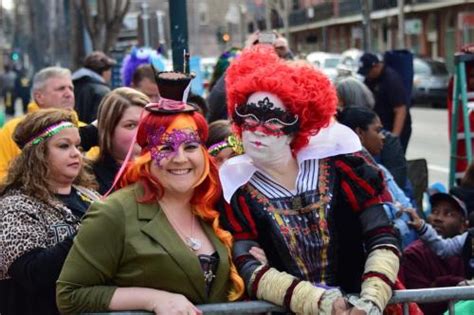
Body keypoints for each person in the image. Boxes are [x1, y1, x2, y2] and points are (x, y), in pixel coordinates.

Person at [218, 45, 400, 314]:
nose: (258, 131)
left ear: (297, 127)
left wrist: (371, 300)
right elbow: (248, 266)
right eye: (249, 118)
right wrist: (318, 302)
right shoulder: (237, 187)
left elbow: (383, 236)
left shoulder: (343, 168)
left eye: (273, 121)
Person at [56, 71, 244, 314]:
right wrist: (152, 299)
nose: (180, 158)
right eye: (166, 147)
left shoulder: (215, 204)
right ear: (146, 155)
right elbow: (70, 295)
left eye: (190, 146)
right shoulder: (114, 213)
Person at [0, 109, 100, 315]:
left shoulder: (91, 197)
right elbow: (32, 273)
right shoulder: (14, 206)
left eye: (78, 146)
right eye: (64, 146)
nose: (76, 153)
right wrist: (91, 230)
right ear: (37, 154)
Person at [338, 106, 417, 249]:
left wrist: (395, 217)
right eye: (377, 130)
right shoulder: (344, 177)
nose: (383, 137)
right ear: (359, 133)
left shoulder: (381, 171)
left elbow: (409, 211)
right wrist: (396, 212)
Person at [0, 67, 98, 182]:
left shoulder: (86, 131)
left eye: (71, 88)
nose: (69, 94)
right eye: (61, 89)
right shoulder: (12, 130)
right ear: (39, 97)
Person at [399, 192, 468, 315]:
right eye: (435, 212)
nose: (438, 218)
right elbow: (421, 303)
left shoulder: (468, 251)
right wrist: (458, 284)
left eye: (449, 214)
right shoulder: (414, 254)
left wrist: (442, 283)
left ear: (463, 226)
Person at [93, 87, 149, 194]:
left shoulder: (165, 171)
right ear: (108, 129)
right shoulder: (89, 179)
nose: (142, 132)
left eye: (146, 123)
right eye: (130, 125)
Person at [358, 52, 412, 153]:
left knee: (393, 158)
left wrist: (394, 137)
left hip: (394, 127)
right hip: (380, 126)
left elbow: (400, 110)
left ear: (376, 66)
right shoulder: (370, 78)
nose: (367, 75)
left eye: (368, 71)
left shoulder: (391, 80)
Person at [73, 51, 116, 123]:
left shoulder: (72, 85)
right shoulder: (103, 91)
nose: (110, 74)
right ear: (105, 71)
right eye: (109, 70)